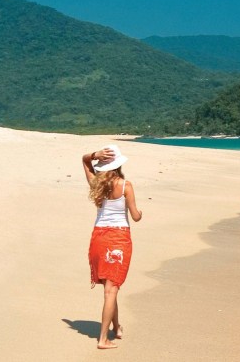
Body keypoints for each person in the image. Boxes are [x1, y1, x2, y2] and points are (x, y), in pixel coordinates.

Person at [82, 144, 142, 349]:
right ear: (118, 165)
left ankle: (116, 328)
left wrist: (93, 156)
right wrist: (139, 212)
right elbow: (135, 217)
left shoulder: (96, 185)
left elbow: (84, 161)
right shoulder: (126, 186)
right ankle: (102, 339)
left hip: (99, 237)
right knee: (111, 290)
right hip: (118, 238)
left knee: (110, 287)